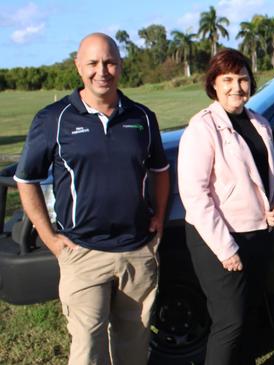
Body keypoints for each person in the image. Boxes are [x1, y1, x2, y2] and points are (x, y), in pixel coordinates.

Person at [14, 33, 170, 365]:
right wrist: (49, 237)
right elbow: (25, 180)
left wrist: (158, 216)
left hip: (137, 253)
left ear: (121, 65)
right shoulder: (52, 119)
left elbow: (160, 169)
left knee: (133, 349)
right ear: (78, 67)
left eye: (110, 62)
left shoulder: (141, 117)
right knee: (87, 350)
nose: (103, 71)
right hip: (83, 254)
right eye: (93, 63)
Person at [177, 48, 274, 365]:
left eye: (242, 78)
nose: (236, 86)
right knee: (230, 322)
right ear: (213, 84)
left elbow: (272, 176)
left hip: (257, 234)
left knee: (251, 317)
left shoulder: (260, 123)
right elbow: (195, 195)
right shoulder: (202, 128)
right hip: (219, 240)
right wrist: (225, 249)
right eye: (227, 79)